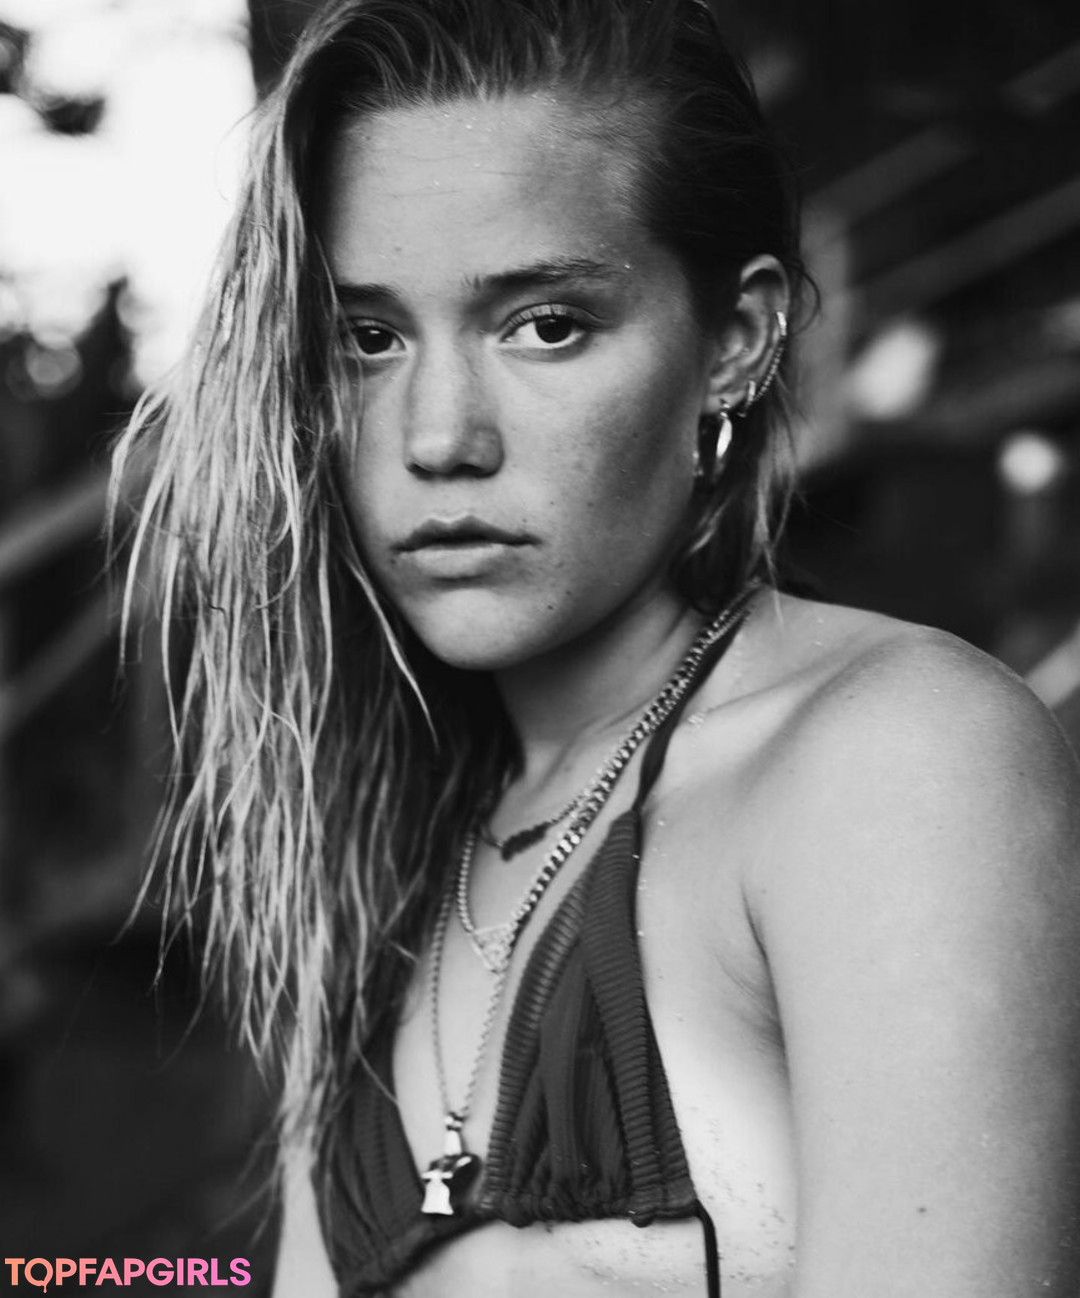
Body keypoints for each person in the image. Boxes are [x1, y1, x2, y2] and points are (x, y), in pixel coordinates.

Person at [111, 1, 1080, 1295]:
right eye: (368, 337)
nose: (439, 437)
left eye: (546, 323)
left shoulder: (892, 761)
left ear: (735, 342)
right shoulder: (374, 867)